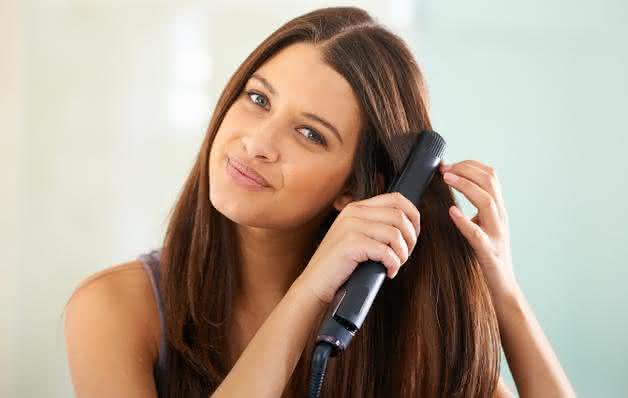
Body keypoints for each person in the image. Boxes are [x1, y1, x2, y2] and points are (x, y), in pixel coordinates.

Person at [64, 6, 575, 398]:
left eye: (309, 133)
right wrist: (308, 293)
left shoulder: (400, 325)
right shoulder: (115, 308)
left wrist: (503, 291)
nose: (258, 142)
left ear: (356, 188)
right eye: (258, 99)